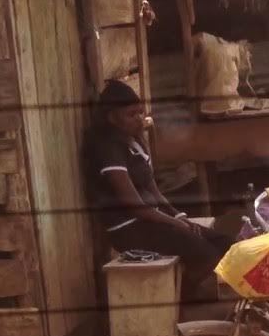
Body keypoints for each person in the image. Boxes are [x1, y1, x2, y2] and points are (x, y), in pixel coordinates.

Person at [86, 80, 232, 304]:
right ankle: (180, 299)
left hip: (152, 221)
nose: (138, 118)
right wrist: (174, 224)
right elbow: (135, 206)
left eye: (140, 112)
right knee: (202, 251)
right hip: (129, 229)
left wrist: (178, 216)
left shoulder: (135, 142)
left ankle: (185, 294)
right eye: (130, 114)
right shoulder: (107, 148)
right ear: (112, 118)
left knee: (223, 242)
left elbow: (153, 188)